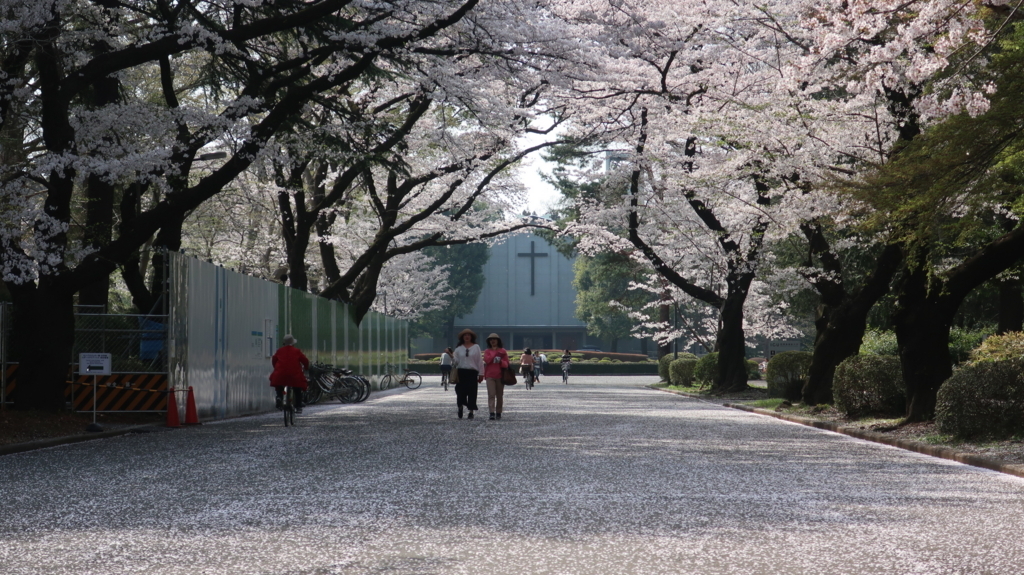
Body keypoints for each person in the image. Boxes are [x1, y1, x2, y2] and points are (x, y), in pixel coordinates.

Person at [269, 334, 310, 413]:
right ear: (293, 343)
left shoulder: (279, 351)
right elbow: (305, 361)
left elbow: (274, 360)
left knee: (279, 385)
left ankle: (279, 397)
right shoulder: (297, 351)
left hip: (281, 373)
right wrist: (306, 368)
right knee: (297, 388)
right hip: (294, 375)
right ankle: (298, 406)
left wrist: (277, 369)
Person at [453, 329, 484, 419]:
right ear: (462, 337)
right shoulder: (459, 348)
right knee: (460, 392)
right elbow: (456, 362)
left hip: (472, 372)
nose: (467, 337)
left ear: (471, 337)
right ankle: (460, 406)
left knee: (472, 392)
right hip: (461, 372)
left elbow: (479, 361)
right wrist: (451, 355)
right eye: (465, 335)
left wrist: (481, 373)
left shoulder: (476, 347)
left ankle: (471, 411)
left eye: (468, 335)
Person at [484, 333, 511, 420]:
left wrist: (500, 361)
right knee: (491, 394)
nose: (493, 341)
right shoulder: (487, 351)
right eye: (491, 339)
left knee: (499, 395)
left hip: (500, 376)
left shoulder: (503, 351)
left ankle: (498, 412)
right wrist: (495, 354)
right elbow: (487, 360)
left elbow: (506, 364)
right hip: (489, 375)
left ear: (498, 341)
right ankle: (491, 412)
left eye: (494, 339)